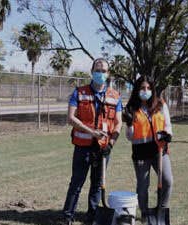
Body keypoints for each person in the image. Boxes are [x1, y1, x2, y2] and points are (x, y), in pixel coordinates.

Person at [62, 58, 123, 225]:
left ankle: (92, 217)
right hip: (83, 148)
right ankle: (68, 216)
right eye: (98, 70)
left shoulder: (115, 96)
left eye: (104, 71)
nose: (101, 73)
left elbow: (118, 123)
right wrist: (92, 132)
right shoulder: (79, 92)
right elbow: (71, 118)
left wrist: (111, 144)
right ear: (92, 71)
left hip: (103, 148)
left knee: (97, 185)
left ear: (108, 73)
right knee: (77, 182)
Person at [123, 77, 173, 222]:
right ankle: (144, 212)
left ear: (152, 89)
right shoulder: (131, 107)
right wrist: (129, 124)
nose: (146, 91)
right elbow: (130, 137)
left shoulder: (161, 104)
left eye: (148, 88)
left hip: (159, 151)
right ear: (137, 90)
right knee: (143, 186)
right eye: (142, 88)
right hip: (141, 153)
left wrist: (168, 135)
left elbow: (168, 125)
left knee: (168, 181)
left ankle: (161, 209)